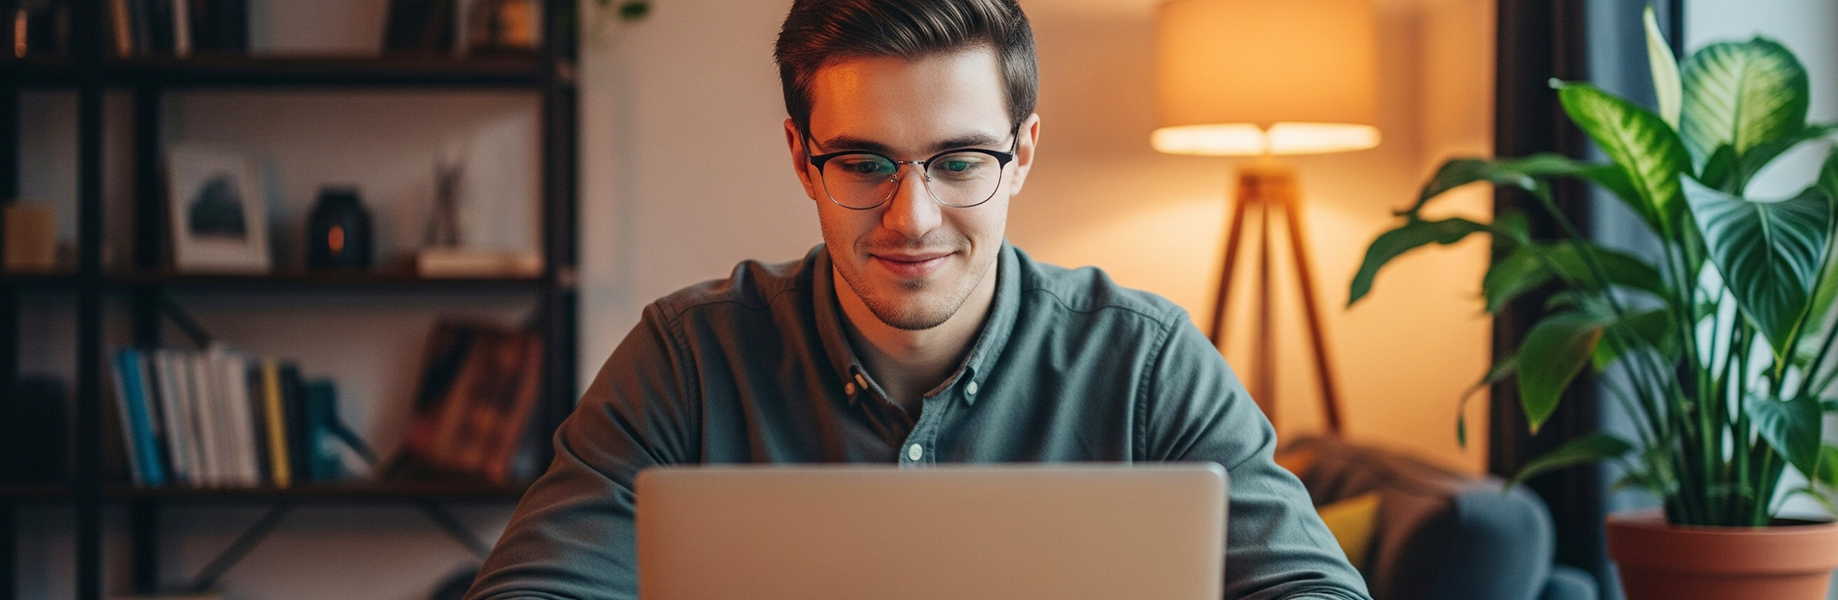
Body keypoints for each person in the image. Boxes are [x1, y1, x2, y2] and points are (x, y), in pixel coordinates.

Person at [464, 1, 1371, 599]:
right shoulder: (689, 359)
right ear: (799, 156)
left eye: (960, 161)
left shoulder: (1145, 361)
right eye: (862, 163)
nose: (913, 218)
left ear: (1020, 154)